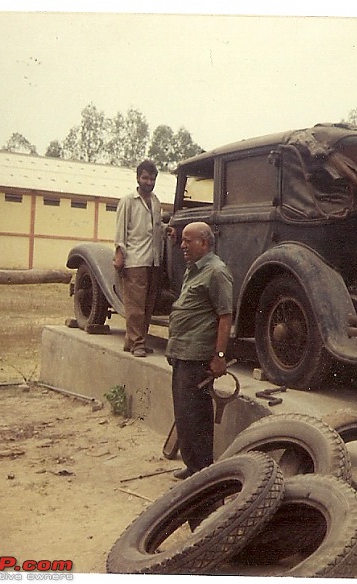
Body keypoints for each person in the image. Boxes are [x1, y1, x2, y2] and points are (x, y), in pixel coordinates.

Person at [165, 221, 233, 480]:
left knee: (197, 417)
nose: (182, 245)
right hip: (182, 353)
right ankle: (193, 467)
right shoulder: (193, 270)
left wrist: (219, 357)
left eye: (187, 240)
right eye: (182, 240)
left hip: (197, 356)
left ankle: (203, 473)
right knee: (183, 414)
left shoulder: (217, 272)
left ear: (203, 243)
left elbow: (225, 317)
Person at [113, 160, 165, 357]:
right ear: (137, 178)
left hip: (153, 260)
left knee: (147, 305)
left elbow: (156, 228)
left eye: (152, 178)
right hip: (135, 259)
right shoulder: (128, 201)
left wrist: (167, 231)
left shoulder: (156, 201)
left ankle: (134, 341)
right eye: (145, 177)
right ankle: (137, 344)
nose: (149, 182)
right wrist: (119, 254)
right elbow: (121, 230)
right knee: (135, 306)